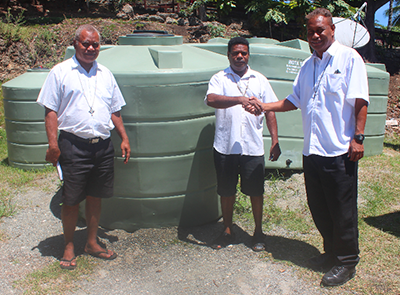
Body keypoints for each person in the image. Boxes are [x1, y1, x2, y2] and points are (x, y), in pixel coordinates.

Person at [246, 8, 369, 286]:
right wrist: (264, 106)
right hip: (312, 151)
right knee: (319, 206)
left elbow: (360, 101)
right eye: (310, 31)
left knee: (342, 209)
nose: (315, 35)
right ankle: (331, 253)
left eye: (320, 30)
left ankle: (347, 262)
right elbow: (294, 100)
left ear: (332, 30)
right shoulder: (307, 65)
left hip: (339, 151)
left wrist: (358, 138)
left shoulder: (350, 59)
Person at [37, 24, 131, 270]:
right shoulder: (60, 72)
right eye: (85, 43)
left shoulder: (106, 74)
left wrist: (123, 137)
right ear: (75, 44)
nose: (90, 48)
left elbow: (115, 110)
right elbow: (50, 111)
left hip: (101, 146)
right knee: (71, 198)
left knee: (95, 195)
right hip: (73, 145)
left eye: (95, 44)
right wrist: (53, 145)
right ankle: (69, 245)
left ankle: (91, 242)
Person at [205, 37, 281, 252]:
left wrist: (275, 140)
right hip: (225, 146)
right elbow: (211, 99)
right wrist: (239, 99)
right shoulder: (220, 78)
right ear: (228, 55)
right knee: (226, 191)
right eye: (236, 53)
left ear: (249, 55)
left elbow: (270, 110)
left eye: (244, 53)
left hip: (252, 147)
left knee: (256, 191)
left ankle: (258, 231)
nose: (240, 57)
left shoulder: (259, 79)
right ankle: (228, 229)